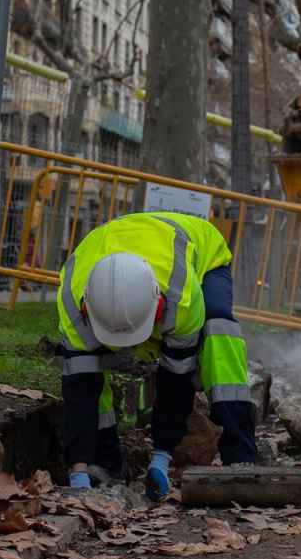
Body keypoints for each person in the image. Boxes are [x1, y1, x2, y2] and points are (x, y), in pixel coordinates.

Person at [57, 211, 256, 501]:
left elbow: (175, 380)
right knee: (87, 369)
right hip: (117, 244)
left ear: (158, 305)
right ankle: (104, 463)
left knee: (218, 330)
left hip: (203, 247)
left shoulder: (182, 297)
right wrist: (78, 471)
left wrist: (161, 457)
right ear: (88, 309)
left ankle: (240, 457)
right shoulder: (71, 305)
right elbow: (80, 391)